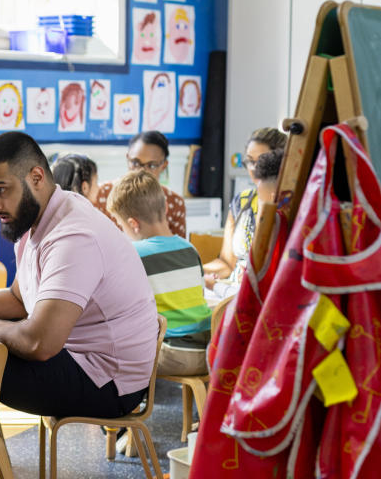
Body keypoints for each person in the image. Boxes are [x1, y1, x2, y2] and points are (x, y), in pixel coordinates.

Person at [0, 132, 157, 479]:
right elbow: (22, 298)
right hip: (82, 358)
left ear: (36, 177)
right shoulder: (36, 220)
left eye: (1, 191)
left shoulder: (72, 234)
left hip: (111, 382)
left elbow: (38, 342)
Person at [108, 170, 211, 377]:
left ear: (133, 224)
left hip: (170, 356)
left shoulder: (134, 254)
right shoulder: (190, 249)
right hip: (209, 353)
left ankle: (128, 404)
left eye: (120, 225)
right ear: (163, 208)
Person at [203, 127, 287, 285]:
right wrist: (197, 272)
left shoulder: (289, 204)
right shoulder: (241, 202)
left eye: (261, 161)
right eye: (250, 161)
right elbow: (227, 263)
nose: (254, 168)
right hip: (233, 292)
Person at [94, 130, 188, 238]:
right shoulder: (102, 193)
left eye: (152, 165)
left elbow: (177, 249)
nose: (141, 170)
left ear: (164, 165)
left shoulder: (174, 202)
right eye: (135, 163)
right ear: (128, 158)